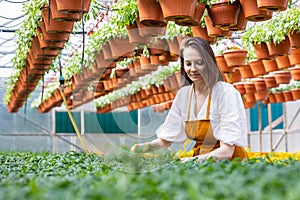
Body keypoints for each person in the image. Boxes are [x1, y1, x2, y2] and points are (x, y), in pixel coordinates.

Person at [130, 37, 248, 162]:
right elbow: (165, 140)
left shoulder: (225, 93)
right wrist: (144, 147)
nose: (193, 69)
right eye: (188, 64)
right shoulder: (184, 96)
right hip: (202, 163)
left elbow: (227, 151)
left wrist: (190, 161)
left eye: (199, 63)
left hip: (231, 165)